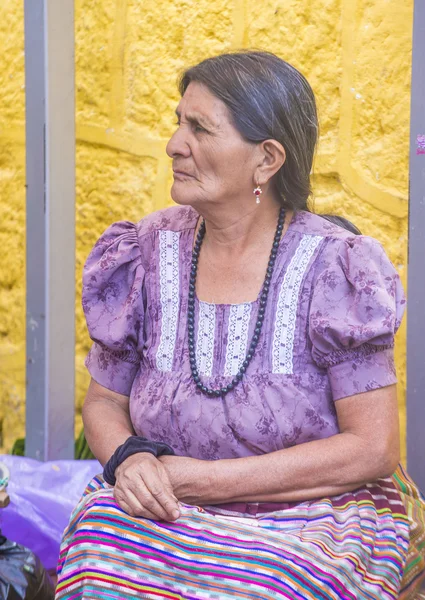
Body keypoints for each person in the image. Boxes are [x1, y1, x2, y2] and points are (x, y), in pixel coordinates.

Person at [55, 51, 425, 600]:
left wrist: (202, 481)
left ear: (266, 159)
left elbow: (373, 447)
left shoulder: (333, 267)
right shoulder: (146, 251)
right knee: (95, 549)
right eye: (178, 122)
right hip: (166, 507)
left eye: (200, 128)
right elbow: (106, 402)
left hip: (309, 518)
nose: (174, 144)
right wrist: (129, 458)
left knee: (272, 581)